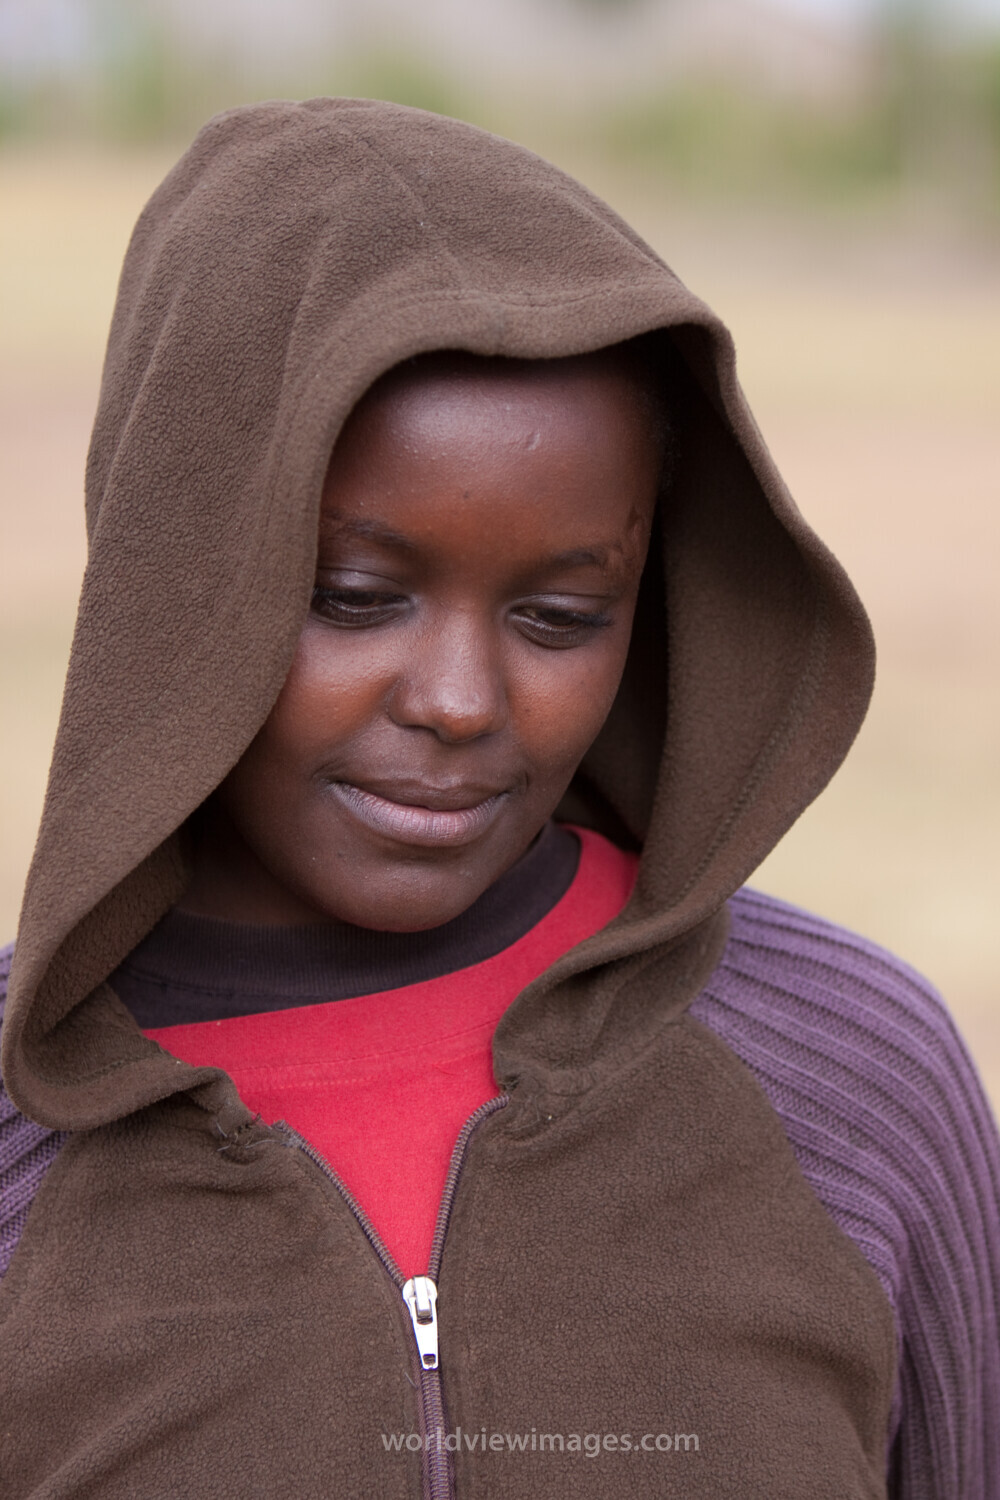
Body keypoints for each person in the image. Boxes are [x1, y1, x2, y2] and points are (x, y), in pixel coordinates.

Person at [0, 98, 997, 1500]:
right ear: (174, 572)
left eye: (559, 614)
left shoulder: (855, 1083)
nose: (462, 701)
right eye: (357, 597)